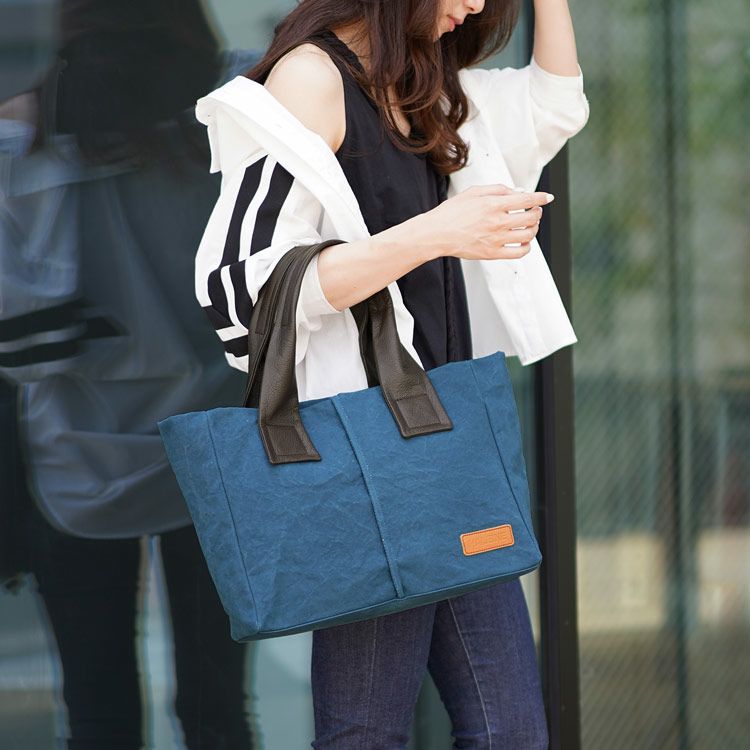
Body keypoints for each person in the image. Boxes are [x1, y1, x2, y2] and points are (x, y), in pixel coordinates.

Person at [195, 0, 589, 746]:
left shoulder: (421, 83)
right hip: (369, 453)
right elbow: (242, 291)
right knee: (367, 732)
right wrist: (434, 233)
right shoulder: (311, 80)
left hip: (449, 440)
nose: (477, 6)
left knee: (511, 731)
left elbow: (555, 102)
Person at [0, 1, 259, 746]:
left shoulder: (22, 142)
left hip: (78, 455)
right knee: (218, 711)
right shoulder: (239, 109)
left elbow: (24, 348)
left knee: (98, 714)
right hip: (220, 448)